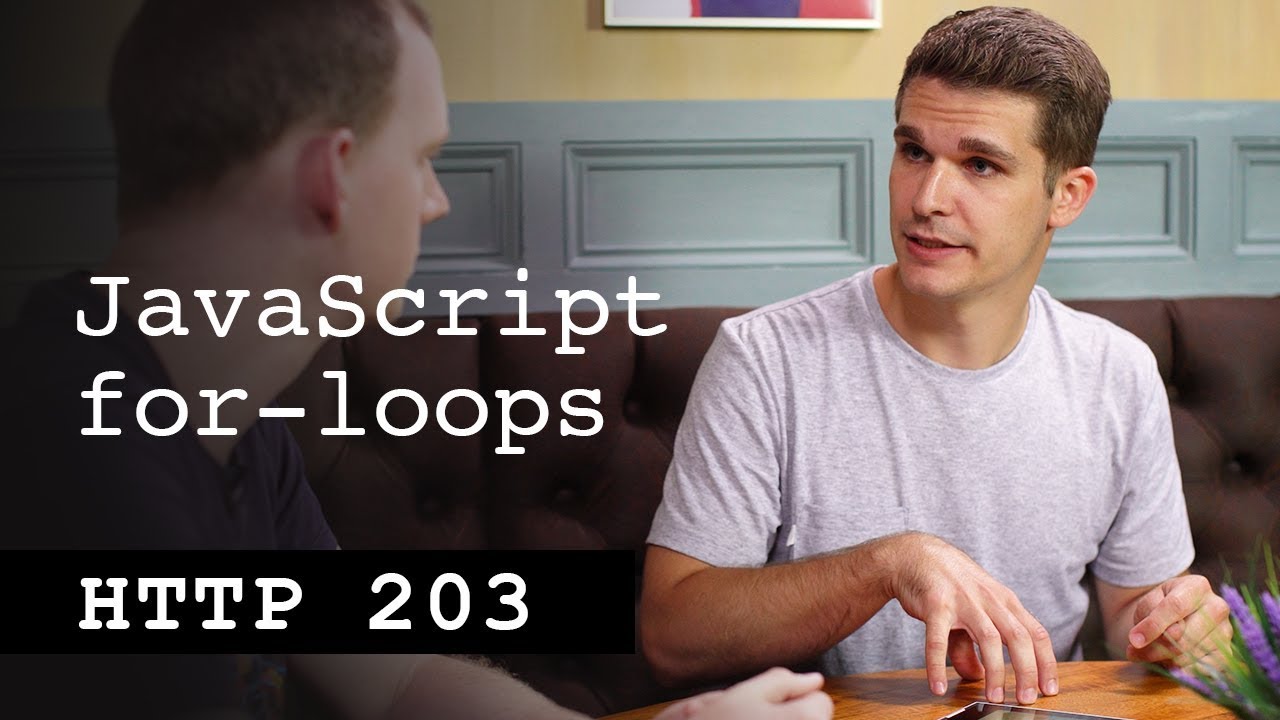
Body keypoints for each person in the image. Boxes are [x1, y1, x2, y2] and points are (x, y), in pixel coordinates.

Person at [0, 1, 833, 719]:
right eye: (423, 156)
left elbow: (392, 674)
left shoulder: (228, 422)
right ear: (333, 174)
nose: (436, 201)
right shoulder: (79, 457)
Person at [639, 5, 1233, 709]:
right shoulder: (764, 358)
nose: (926, 199)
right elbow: (671, 637)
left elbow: (1137, 611)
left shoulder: (1118, 372)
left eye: (980, 164)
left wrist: (1175, 630)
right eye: (914, 152)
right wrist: (886, 566)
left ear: (1067, 196)